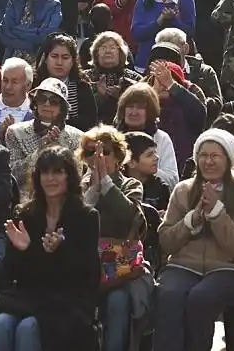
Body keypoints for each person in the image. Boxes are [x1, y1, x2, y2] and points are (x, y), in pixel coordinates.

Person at [0, 145, 99, 351]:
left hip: (68, 300)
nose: (50, 178)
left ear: (69, 176)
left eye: (57, 172)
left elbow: (88, 275)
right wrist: (25, 249)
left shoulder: (86, 217)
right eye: (45, 172)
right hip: (27, 296)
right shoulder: (24, 214)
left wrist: (59, 252)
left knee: (29, 328)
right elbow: (9, 273)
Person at [154, 127, 234, 351]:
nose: (208, 162)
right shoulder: (183, 191)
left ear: (228, 159)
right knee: (168, 294)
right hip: (183, 266)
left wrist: (217, 214)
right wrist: (190, 221)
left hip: (230, 269)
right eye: (203, 155)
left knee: (201, 297)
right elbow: (166, 240)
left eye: (215, 156)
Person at [78, 126, 149, 351]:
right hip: (83, 268)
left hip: (118, 271)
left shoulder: (130, 185)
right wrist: (91, 191)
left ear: (119, 157)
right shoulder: (77, 188)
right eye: (91, 152)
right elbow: (72, 222)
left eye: (104, 152)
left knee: (118, 302)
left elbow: (133, 219)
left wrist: (106, 186)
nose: (97, 157)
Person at [5, 78, 84, 186]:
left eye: (53, 101)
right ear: (35, 102)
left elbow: (77, 177)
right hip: (27, 198)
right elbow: (14, 175)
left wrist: (60, 148)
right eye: (42, 99)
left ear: (62, 108)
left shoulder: (78, 137)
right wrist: (39, 151)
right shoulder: (15, 132)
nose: (47, 104)